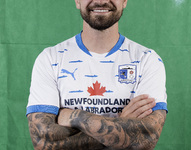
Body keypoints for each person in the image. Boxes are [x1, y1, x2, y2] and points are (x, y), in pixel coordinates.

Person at [26, 0, 168, 149]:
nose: (101, 1)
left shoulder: (147, 59)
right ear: (77, 1)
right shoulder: (50, 59)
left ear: (125, 1)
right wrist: (121, 125)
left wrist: (76, 117)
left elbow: (147, 137)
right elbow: (43, 142)